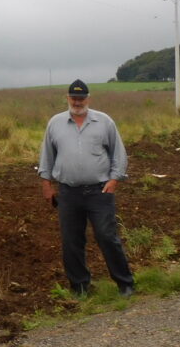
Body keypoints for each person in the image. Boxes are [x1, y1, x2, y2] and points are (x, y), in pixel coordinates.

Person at [38, 80, 134, 298]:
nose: (77, 102)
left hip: (99, 192)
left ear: (88, 99)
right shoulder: (56, 123)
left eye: (81, 98)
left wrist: (114, 180)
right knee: (71, 241)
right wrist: (47, 184)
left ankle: (125, 283)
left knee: (107, 237)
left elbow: (118, 153)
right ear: (67, 98)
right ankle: (80, 287)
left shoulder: (104, 122)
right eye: (73, 98)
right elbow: (47, 155)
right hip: (69, 193)